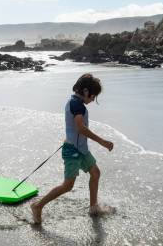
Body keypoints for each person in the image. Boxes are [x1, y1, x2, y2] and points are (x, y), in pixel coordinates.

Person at [30, 73, 115, 224]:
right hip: (73, 151)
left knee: (95, 173)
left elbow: (75, 129)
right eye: (93, 96)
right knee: (68, 186)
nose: (93, 100)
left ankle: (93, 207)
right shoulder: (77, 105)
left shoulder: (74, 102)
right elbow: (80, 128)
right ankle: (38, 206)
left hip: (80, 149)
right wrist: (102, 141)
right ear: (86, 92)